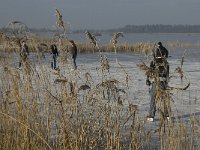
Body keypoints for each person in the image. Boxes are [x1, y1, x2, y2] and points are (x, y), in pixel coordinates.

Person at [146, 42, 170, 122]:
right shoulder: (165, 63)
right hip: (162, 82)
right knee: (164, 99)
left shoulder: (155, 62)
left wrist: (148, 80)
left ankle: (151, 116)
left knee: (153, 98)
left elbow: (150, 72)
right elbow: (167, 75)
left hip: (156, 82)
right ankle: (167, 115)